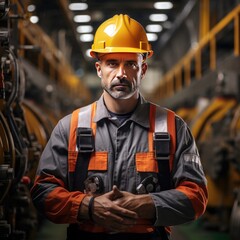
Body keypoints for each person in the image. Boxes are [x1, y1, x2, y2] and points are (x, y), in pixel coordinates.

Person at [31, 14, 208, 240]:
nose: (121, 74)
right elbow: (43, 192)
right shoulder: (70, 127)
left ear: (143, 70)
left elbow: (197, 197)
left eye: (131, 64)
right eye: (112, 63)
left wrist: (147, 203)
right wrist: (90, 206)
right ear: (98, 68)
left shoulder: (173, 127)